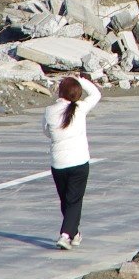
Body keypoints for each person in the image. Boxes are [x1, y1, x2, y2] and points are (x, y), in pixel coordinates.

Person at [43, 74, 101, 250]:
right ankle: (65, 235)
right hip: (78, 162)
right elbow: (96, 94)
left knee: (66, 200)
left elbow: (46, 132)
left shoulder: (49, 111)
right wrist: (81, 80)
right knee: (74, 200)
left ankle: (74, 234)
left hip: (58, 163)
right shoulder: (80, 108)